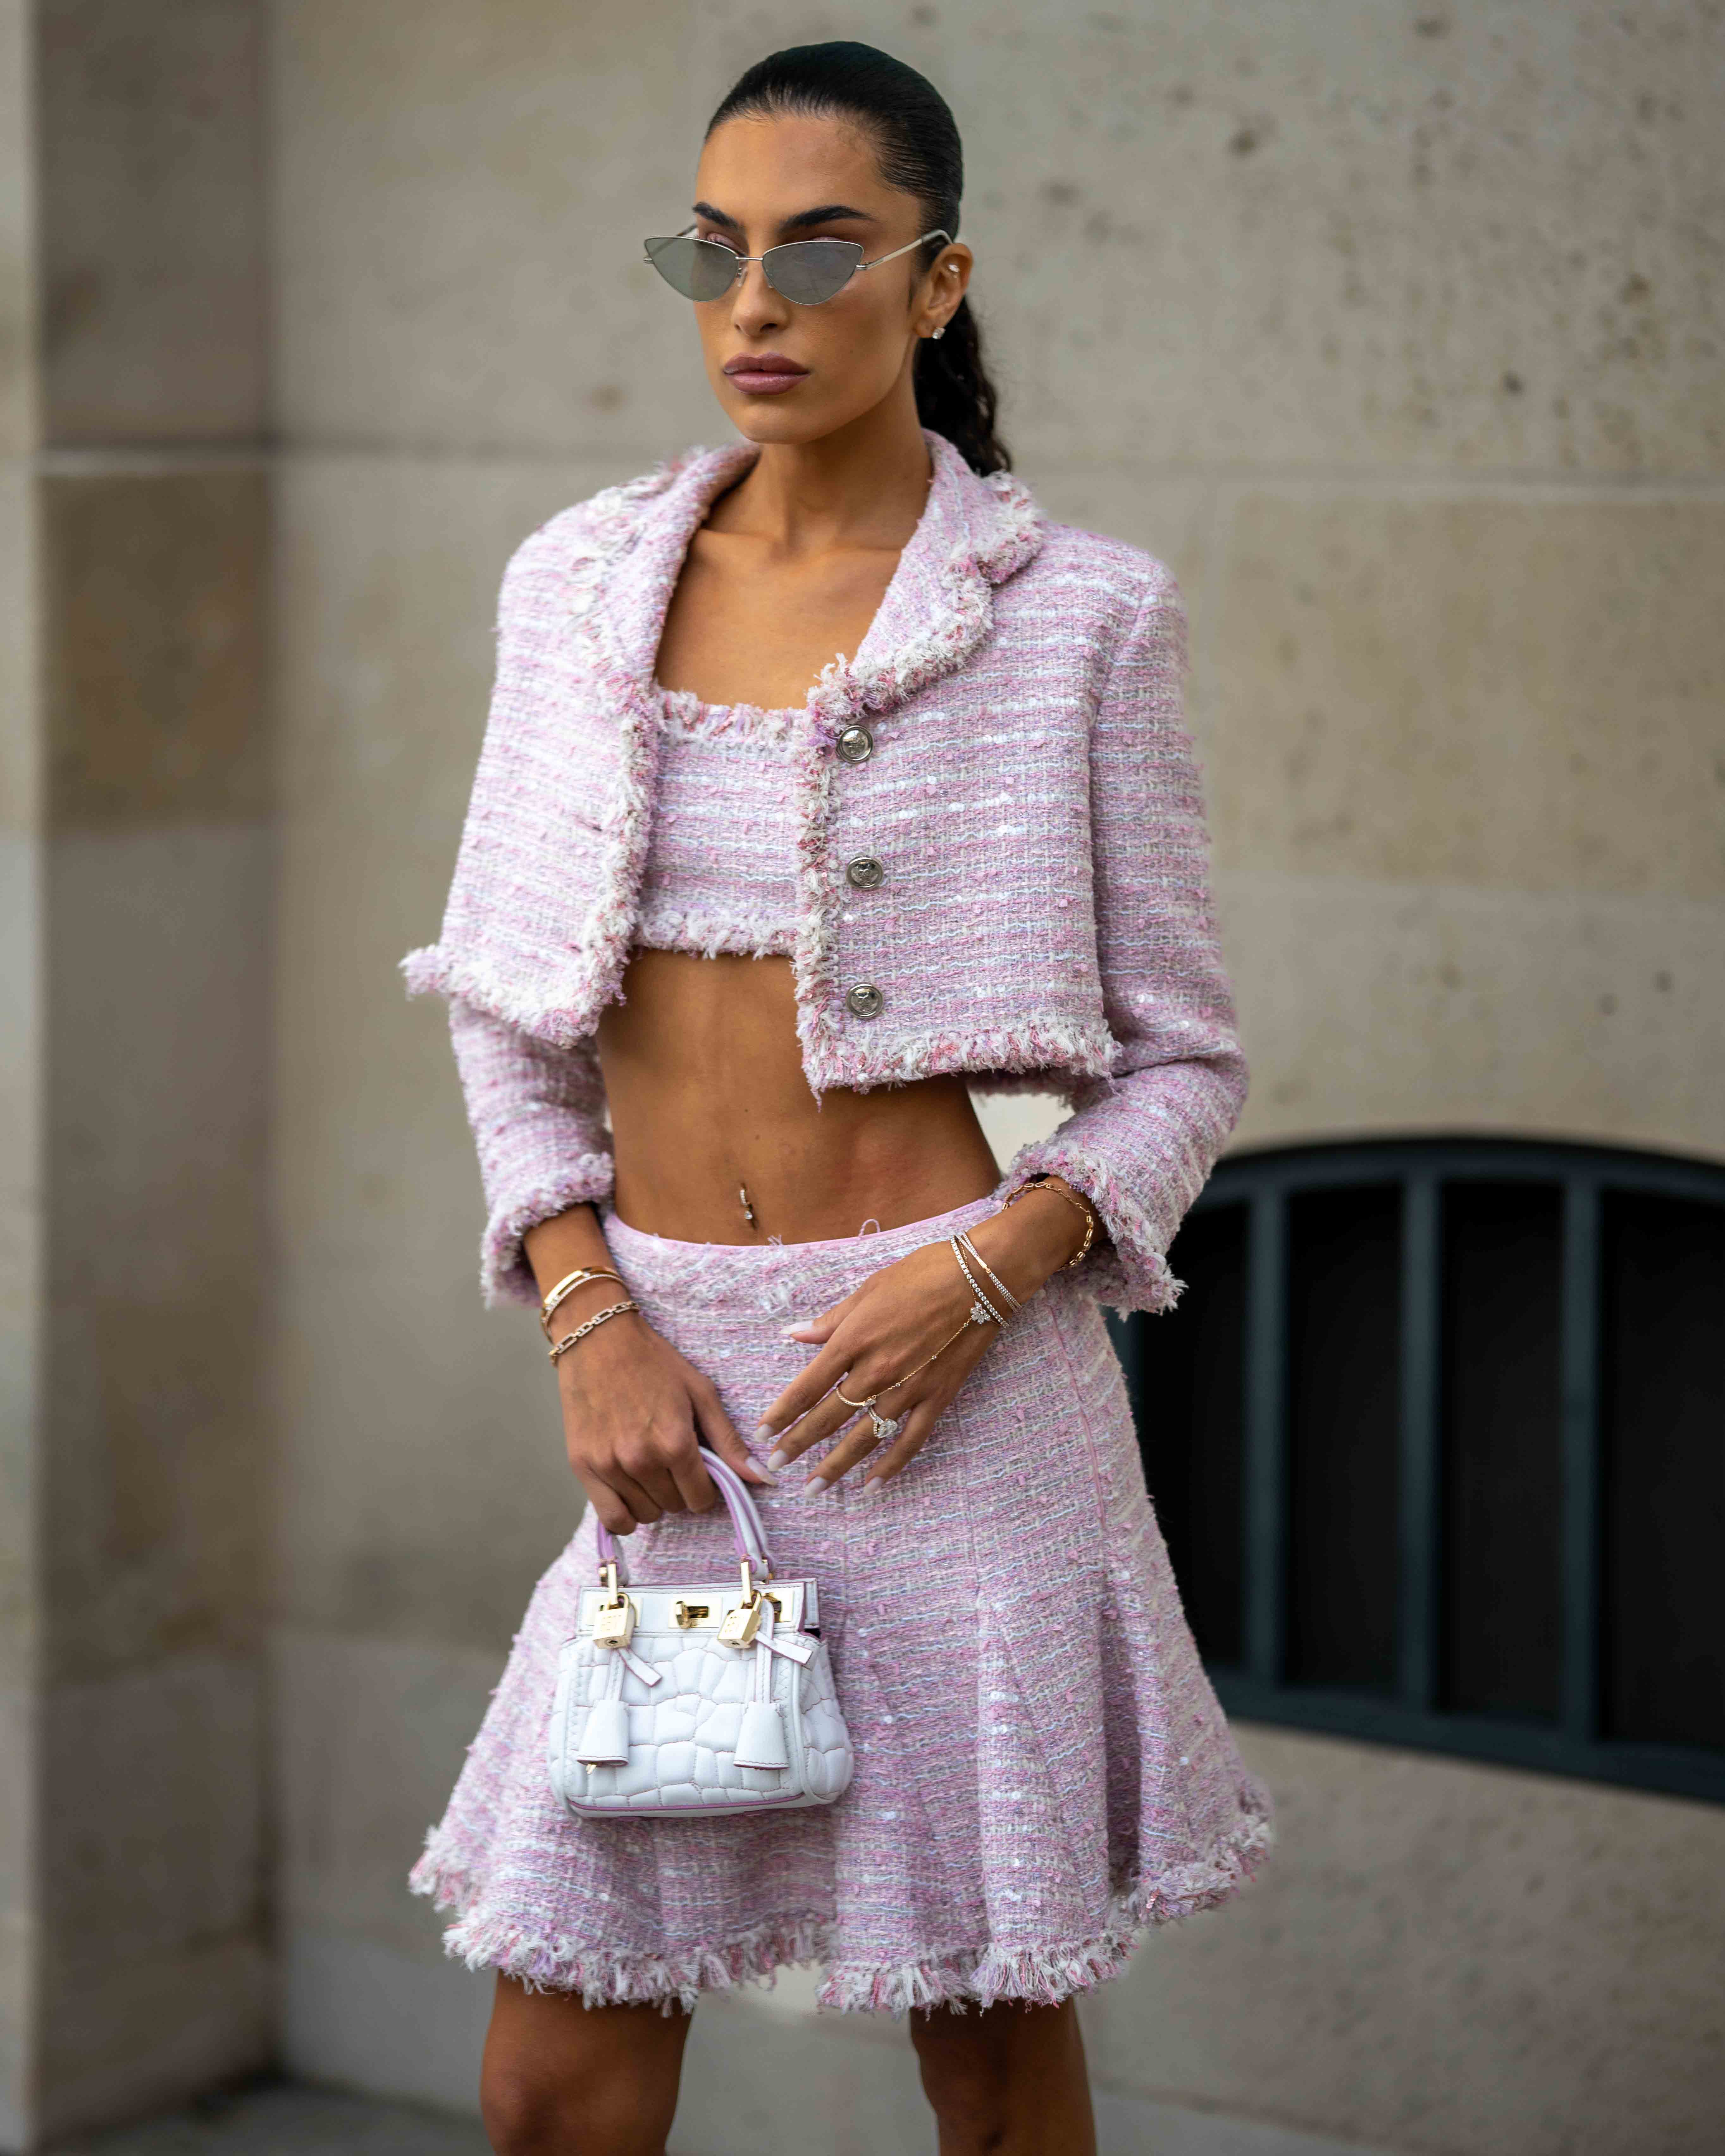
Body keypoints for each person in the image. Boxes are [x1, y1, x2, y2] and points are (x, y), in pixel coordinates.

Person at [402, 40, 1270, 2156]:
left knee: (985, 2062)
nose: (757, 302)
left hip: (956, 1396)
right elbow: (506, 1016)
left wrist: (990, 1269)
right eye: (714, 251)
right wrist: (592, 1310)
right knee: (552, 2083)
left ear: (941, 280)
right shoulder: (576, 587)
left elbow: (1185, 1061)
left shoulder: (1078, 618)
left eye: (819, 247)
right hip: (670, 1390)